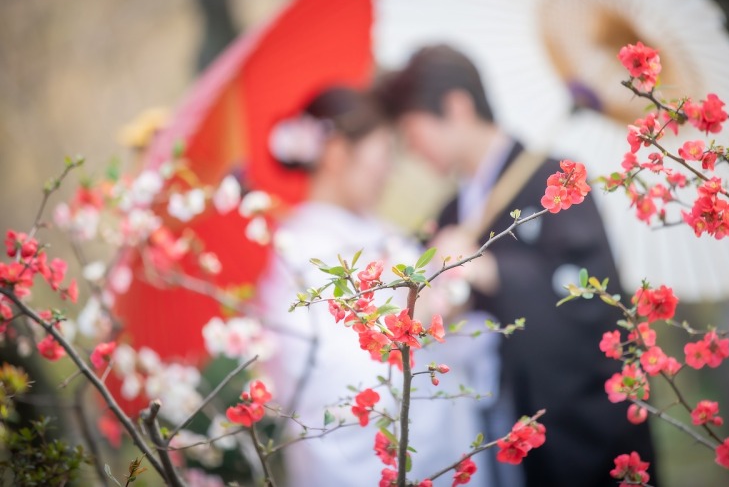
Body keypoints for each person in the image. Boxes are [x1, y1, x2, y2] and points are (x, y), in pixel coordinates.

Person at [377, 45, 657, 486]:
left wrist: (491, 272)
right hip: (495, 429)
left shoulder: (557, 182)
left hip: (574, 430)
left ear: (456, 107)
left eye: (413, 133)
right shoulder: (452, 214)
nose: (413, 150)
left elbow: (588, 301)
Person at [254, 86, 494, 486]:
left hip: (444, 446)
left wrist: (447, 280)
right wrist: (426, 316)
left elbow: (432, 313)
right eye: (383, 153)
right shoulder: (297, 258)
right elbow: (340, 385)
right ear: (335, 155)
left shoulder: (385, 234)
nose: (389, 170)